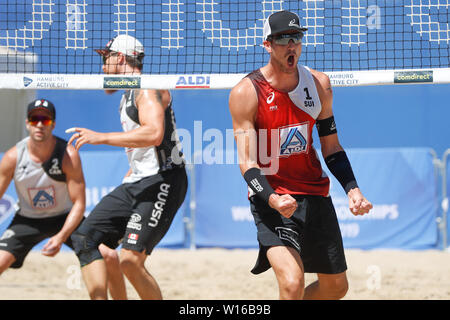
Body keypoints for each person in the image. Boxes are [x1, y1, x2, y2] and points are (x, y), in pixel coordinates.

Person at [228, 10, 373, 300]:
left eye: (296, 37)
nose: (291, 45)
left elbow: (332, 148)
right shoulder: (246, 92)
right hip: (273, 196)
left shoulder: (319, 84)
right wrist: (272, 198)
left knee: (336, 287)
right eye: (283, 39)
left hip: (315, 194)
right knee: (292, 284)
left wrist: (353, 189)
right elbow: (247, 163)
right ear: (267, 45)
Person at [67, 34, 187, 300]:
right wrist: (132, 169)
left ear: (120, 57)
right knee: (87, 239)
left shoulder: (148, 89)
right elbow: (142, 143)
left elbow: (154, 134)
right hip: (138, 180)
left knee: (130, 261)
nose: (101, 66)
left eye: (105, 58)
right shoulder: (127, 95)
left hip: (163, 180)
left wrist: (99, 137)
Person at [0, 99, 127, 300]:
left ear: (53, 123)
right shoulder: (13, 157)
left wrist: (60, 237)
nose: (40, 124)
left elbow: (79, 204)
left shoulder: (67, 154)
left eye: (45, 119)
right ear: (27, 123)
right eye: (35, 119)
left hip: (66, 217)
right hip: (27, 219)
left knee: (109, 256)